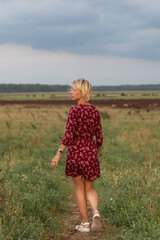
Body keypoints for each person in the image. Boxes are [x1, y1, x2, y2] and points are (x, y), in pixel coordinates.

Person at [51, 79, 103, 232]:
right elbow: (99, 138)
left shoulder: (74, 111)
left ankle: (86, 224)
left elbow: (68, 136)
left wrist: (58, 154)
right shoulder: (95, 111)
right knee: (90, 188)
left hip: (76, 153)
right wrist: (95, 154)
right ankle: (96, 212)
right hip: (90, 152)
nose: (71, 92)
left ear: (82, 92)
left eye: (73, 89)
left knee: (79, 189)